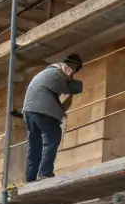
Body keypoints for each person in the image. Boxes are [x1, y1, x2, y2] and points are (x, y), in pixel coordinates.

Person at [19, 54, 83, 183]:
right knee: (52, 137)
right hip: (43, 107)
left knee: (34, 143)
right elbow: (75, 87)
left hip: (28, 109)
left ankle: (30, 178)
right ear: (75, 66)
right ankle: (45, 173)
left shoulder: (49, 70)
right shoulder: (66, 68)